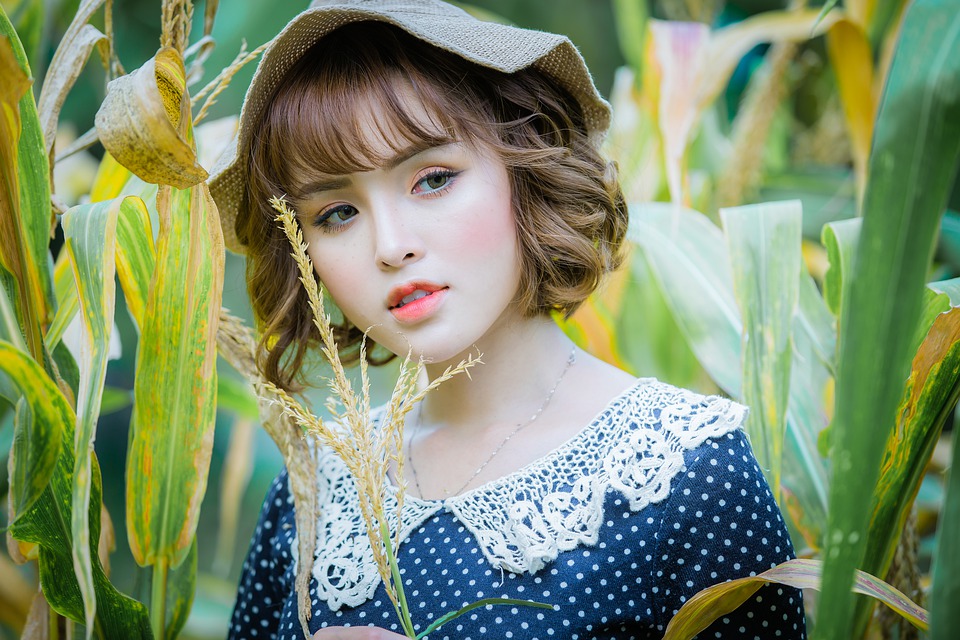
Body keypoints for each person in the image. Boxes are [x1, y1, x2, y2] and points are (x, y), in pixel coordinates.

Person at [209, 1, 806, 638]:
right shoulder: (314, 490)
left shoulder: (686, 473)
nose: (390, 246)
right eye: (337, 214)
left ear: (526, 163)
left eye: (432, 179)